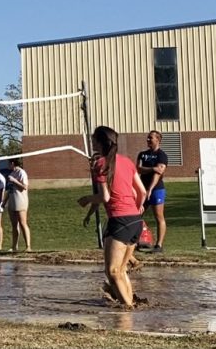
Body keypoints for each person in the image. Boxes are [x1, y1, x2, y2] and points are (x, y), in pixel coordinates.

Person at [78, 126, 148, 307]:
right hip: (135, 221)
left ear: (100, 142)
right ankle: (131, 303)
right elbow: (141, 191)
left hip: (120, 221)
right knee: (121, 269)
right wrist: (138, 206)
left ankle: (128, 309)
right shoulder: (126, 161)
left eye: (93, 139)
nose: (91, 141)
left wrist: (86, 199)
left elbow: (105, 197)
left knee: (113, 271)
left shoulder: (101, 163)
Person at [137, 130, 168, 253]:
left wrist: (150, 188)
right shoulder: (142, 154)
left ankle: (159, 245)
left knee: (159, 217)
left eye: (151, 138)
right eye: (147, 138)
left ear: (158, 139)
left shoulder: (162, 155)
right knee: (136, 215)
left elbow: (159, 172)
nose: (148, 140)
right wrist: (151, 168)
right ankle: (138, 240)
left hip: (156, 190)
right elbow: (138, 169)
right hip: (142, 189)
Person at [5, 158, 31, 252]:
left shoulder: (21, 172)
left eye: (8, 164)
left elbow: (24, 187)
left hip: (20, 200)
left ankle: (28, 246)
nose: (7, 166)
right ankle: (14, 246)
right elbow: (9, 190)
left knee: (23, 223)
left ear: (12, 163)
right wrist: (4, 202)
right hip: (12, 201)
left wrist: (14, 180)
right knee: (14, 225)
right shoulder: (11, 174)